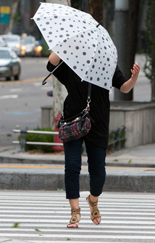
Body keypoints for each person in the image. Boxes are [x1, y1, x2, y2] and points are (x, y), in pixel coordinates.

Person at [47, 52, 140, 228]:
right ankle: (75, 212)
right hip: (73, 120)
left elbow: (124, 87)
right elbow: (51, 64)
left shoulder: (107, 64)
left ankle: (93, 199)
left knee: (98, 170)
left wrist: (133, 78)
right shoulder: (71, 61)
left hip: (98, 122)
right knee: (72, 166)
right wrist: (64, 45)